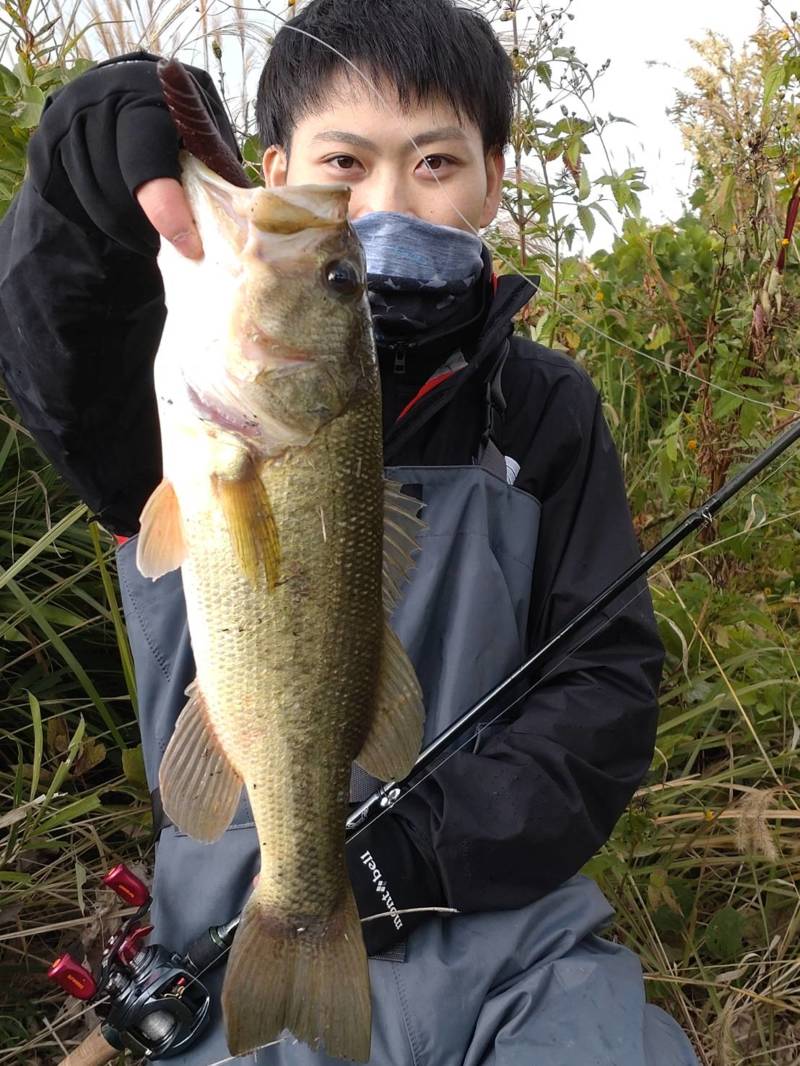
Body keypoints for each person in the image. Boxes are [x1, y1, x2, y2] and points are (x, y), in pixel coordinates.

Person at [0, 1, 700, 1062]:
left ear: (491, 180)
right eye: (341, 162)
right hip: (229, 924)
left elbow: (602, 681)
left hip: (504, 932)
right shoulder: (183, 389)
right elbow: (58, 347)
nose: (380, 199)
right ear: (276, 168)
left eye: (433, 162)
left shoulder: (540, 406)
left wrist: (417, 854)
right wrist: (81, 154)